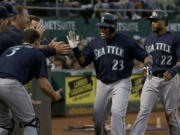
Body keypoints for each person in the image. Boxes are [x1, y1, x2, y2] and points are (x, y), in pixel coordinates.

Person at [66, 13, 152, 135]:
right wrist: (75, 49)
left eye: (104, 27)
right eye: (100, 26)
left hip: (121, 82)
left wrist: (148, 66)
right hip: (102, 83)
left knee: (117, 114)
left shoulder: (127, 41)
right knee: (97, 121)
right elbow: (83, 62)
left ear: (113, 27)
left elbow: (146, 57)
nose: (101, 29)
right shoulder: (95, 42)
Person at [0, 29, 62, 135]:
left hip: (6, 84)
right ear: (37, 41)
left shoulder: (9, 50)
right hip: (10, 85)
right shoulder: (37, 53)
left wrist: (23, 99)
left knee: (5, 125)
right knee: (31, 123)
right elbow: (44, 85)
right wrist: (55, 96)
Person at [130, 10, 180, 135]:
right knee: (143, 112)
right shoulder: (148, 40)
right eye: (151, 21)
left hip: (169, 80)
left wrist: (173, 71)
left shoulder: (174, 38)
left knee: (171, 116)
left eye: (155, 20)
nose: (152, 23)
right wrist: (143, 81)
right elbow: (147, 63)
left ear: (163, 21)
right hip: (151, 80)